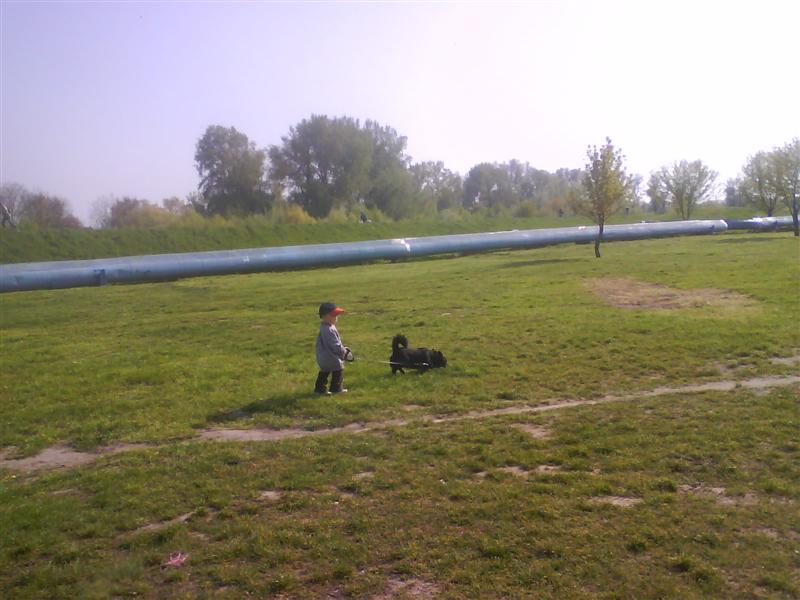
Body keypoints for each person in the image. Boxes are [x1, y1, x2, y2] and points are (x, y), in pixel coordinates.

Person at [314, 302, 351, 395]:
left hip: (323, 356)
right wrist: (343, 351)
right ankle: (336, 389)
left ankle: (320, 389)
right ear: (325, 316)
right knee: (338, 369)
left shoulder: (326, 327)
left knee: (324, 372)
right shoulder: (328, 329)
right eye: (334, 316)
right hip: (330, 356)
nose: (336, 318)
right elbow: (335, 345)